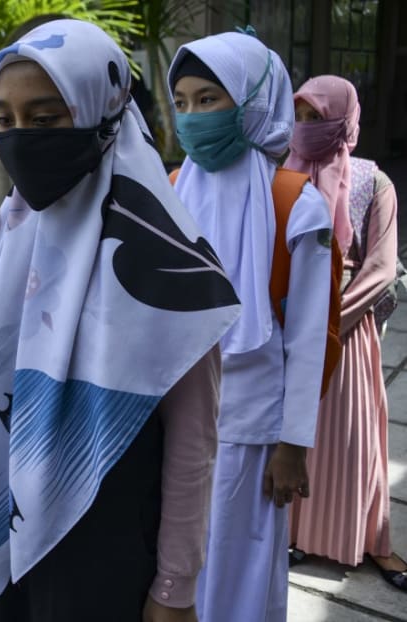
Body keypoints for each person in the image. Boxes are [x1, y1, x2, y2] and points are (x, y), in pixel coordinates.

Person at [0, 19, 241, 621]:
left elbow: (193, 441)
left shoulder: (168, 265)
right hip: (2, 519)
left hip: (107, 538)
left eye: (45, 119)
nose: (20, 137)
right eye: (5, 119)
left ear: (102, 114)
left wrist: (175, 584)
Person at [167, 32, 333, 621]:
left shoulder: (295, 204)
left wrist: (293, 445)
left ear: (252, 102)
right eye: (181, 103)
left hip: (251, 428)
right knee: (177, 566)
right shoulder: (171, 191)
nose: (192, 117)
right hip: (175, 419)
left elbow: (308, 340)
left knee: (240, 566)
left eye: (208, 100)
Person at [286, 75, 407, 591]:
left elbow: (380, 268)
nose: (306, 127)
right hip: (285, 321)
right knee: (294, 436)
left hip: (345, 328)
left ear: (344, 120)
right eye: (300, 116)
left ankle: (371, 540)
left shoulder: (373, 182)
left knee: (352, 438)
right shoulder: (279, 172)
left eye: (318, 117)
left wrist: (329, 320)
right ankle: (293, 534)